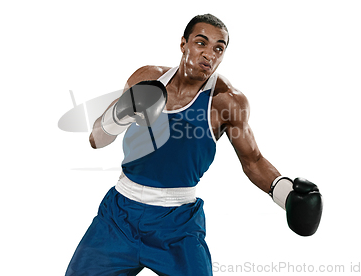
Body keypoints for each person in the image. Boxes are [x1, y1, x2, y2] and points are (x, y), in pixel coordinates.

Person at [65, 14, 323, 276]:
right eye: (201, 43)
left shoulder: (226, 101)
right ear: (183, 44)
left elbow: (253, 160)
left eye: (218, 49)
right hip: (119, 215)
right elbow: (96, 139)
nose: (209, 54)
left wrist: (286, 193)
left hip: (177, 225)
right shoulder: (146, 78)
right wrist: (119, 114)